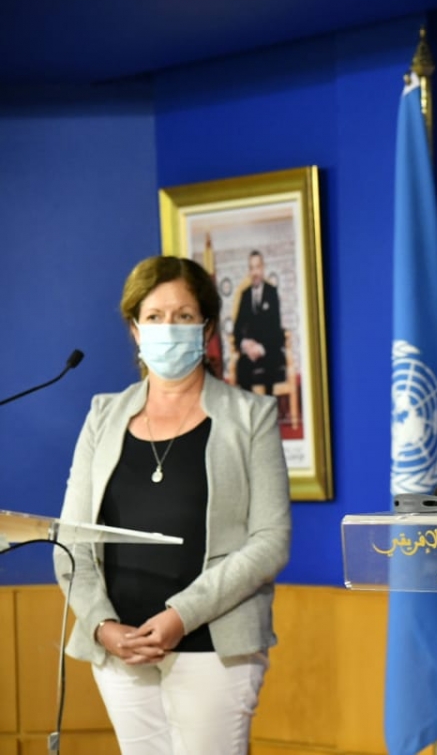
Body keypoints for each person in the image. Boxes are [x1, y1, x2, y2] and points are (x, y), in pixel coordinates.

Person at [54, 255, 292, 754]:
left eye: (183, 316)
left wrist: (181, 615)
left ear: (206, 328)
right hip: (121, 649)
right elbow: (71, 539)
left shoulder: (252, 416)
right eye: (155, 316)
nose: (168, 328)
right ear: (135, 328)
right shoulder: (103, 416)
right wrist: (102, 625)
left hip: (213, 645)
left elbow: (270, 541)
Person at [233, 249, 286, 394]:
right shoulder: (245, 295)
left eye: (257, 267)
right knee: (242, 366)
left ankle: (268, 405)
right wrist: (245, 344)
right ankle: (249, 406)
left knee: (271, 363)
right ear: (249, 271)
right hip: (250, 351)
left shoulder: (272, 292)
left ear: (263, 268)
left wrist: (261, 348)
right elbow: (237, 328)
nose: (255, 272)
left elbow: (276, 328)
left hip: (268, 349)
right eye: (251, 268)